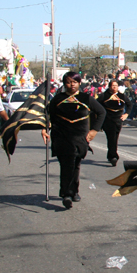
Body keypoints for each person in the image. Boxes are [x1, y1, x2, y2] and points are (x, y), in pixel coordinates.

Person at [40, 72, 105, 209]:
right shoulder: (58, 99)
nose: (71, 85)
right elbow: (47, 115)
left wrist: (94, 130)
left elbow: (101, 112)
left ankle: (74, 191)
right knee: (67, 164)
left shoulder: (86, 99)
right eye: (69, 82)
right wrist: (44, 128)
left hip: (80, 138)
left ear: (79, 83)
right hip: (62, 137)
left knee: (75, 164)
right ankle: (67, 194)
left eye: (74, 82)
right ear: (64, 84)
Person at [97, 79, 132, 167]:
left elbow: (130, 104)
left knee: (114, 138)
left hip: (118, 120)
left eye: (116, 86)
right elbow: (96, 105)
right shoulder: (104, 96)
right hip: (108, 120)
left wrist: (126, 114)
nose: (114, 87)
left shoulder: (121, 96)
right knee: (111, 137)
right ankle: (113, 156)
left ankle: (110, 155)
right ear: (109, 87)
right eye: (113, 86)